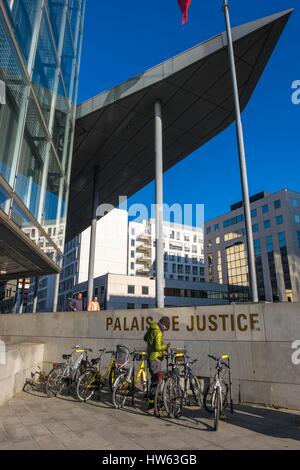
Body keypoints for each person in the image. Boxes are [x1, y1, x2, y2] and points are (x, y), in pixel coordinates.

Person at [144, 316, 171, 414]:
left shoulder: (151, 328)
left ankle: (153, 404)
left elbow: (145, 338)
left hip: (150, 358)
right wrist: (166, 346)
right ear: (164, 324)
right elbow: (158, 346)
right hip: (155, 359)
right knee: (156, 383)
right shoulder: (159, 331)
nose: (165, 329)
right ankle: (152, 406)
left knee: (154, 381)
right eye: (166, 327)